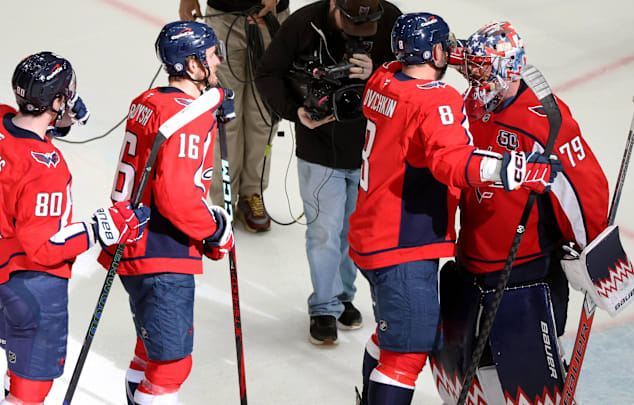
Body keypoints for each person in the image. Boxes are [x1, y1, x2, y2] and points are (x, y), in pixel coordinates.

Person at [346, 14, 564, 404]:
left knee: (391, 333)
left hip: (369, 233)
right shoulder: (437, 99)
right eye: (444, 46)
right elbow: (452, 163)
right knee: (406, 354)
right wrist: (515, 168)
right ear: (432, 52)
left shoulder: (384, 77)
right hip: (403, 245)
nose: (451, 52)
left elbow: (411, 75)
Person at [428, 22, 610, 405]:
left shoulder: (544, 121)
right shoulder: (478, 100)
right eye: (471, 68)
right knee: (470, 370)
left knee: (530, 379)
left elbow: (583, 191)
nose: (473, 77)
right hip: (471, 262)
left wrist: (596, 254)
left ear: (509, 69)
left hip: (525, 272)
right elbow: (457, 55)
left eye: (482, 69)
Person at [0, 51, 150, 405]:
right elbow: (44, 246)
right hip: (27, 284)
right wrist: (101, 227)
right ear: (57, 100)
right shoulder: (46, 169)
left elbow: (16, 154)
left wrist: (57, 124)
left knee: (18, 367)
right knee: (30, 393)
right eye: (66, 95)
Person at [97, 21, 235, 405]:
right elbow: (175, 196)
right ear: (192, 66)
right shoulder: (190, 118)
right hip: (163, 251)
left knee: (149, 350)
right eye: (210, 57)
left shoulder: (148, 100)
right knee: (171, 365)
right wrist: (214, 231)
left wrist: (210, 100)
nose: (218, 63)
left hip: (132, 242)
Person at [255, 0, 402, 345]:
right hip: (319, 148)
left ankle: (343, 297)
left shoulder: (392, 19)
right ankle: (323, 306)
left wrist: (378, 73)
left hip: (368, 150)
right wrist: (294, 112)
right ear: (334, 5)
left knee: (352, 232)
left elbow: (413, 77)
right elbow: (266, 73)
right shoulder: (304, 23)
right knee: (324, 232)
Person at [179, 0, 290, 232]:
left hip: (269, 19)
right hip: (224, 16)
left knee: (262, 116)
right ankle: (223, 201)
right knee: (225, 115)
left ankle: (252, 194)